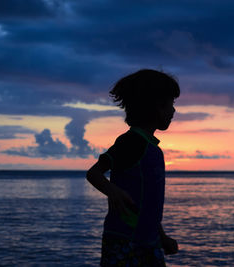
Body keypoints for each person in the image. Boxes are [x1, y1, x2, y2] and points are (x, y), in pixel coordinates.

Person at [87, 69, 180, 266]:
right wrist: (113, 191)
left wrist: (162, 237)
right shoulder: (131, 142)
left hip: (149, 241)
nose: (173, 111)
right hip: (124, 241)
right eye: (171, 104)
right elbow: (94, 173)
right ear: (156, 107)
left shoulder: (153, 148)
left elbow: (148, 204)